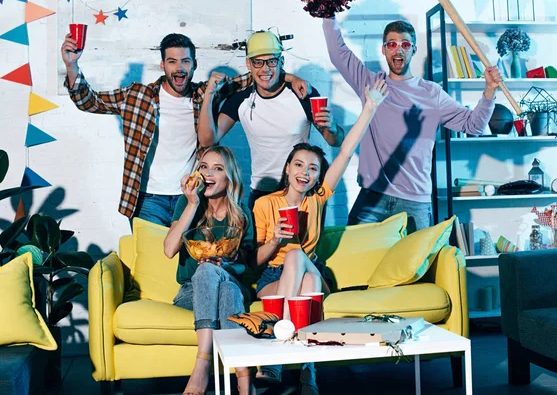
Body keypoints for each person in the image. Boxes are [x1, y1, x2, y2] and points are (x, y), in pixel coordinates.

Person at [61, 32, 307, 227]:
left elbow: (256, 74)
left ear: (194, 65)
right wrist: (72, 66)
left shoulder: (204, 95)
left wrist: (291, 78)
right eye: (172, 61)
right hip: (147, 199)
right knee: (152, 269)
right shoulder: (137, 96)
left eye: (185, 61)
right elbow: (88, 101)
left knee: (185, 268)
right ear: (162, 65)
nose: (179, 68)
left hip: (190, 197)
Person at [252, 80, 388, 394]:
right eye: (298, 165)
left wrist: (370, 107)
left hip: (310, 266)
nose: (305, 172)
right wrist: (273, 239)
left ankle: (274, 357)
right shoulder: (264, 204)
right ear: (287, 169)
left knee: (300, 258)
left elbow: (346, 152)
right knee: (308, 285)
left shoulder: (317, 199)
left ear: (316, 176)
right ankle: (307, 373)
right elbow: (255, 260)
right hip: (273, 279)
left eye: (312, 168)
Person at [322, 17, 502, 232]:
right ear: (384, 49)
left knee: (417, 266)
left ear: (413, 50)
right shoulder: (370, 84)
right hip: (373, 197)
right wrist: (328, 13)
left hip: (414, 202)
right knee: (353, 260)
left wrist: (490, 90)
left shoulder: (432, 93)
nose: (398, 50)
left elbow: (474, 126)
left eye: (405, 44)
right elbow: (338, 54)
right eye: (392, 44)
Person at [198, 30, 345, 211]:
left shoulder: (302, 93)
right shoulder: (240, 99)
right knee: (263, 241)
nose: (265, 69)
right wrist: (208, 96)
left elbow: (335, 140)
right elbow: (207, 140)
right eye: (258, 62)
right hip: (262, 193)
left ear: (281, 62)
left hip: (301, 190)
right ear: (248, 65)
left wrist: (332, 127)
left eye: (271, 61)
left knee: (306, 241)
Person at [164, 145, 256, 395]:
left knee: (222, 280)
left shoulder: (241, 214)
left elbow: (246, 268)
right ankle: (245, 383)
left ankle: (201, 367)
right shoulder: (188, 203)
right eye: (203, 167)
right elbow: (169, 249)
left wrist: (225, 264)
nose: (208, 173)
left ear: (230, 176)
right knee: (213, 279)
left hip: (231, 280)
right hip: (191, 292)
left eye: (217, 168)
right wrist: (192, 203)